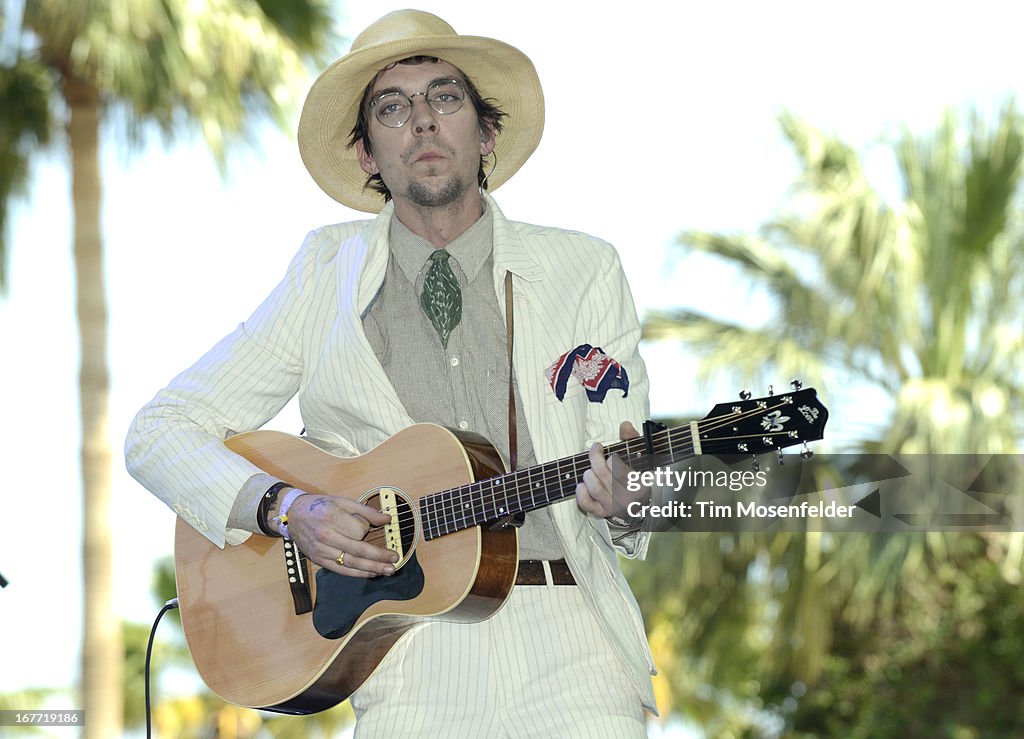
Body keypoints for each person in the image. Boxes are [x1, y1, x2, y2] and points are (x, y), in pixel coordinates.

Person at [126, 9, 657, 737]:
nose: (423, 122)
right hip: (405, 658)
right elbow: (159, 432)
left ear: (486, 132)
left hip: (573, 639)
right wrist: (288, 507)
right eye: (393, 106)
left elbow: (621, 467)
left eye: (445, 98)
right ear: (368, 153)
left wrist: (629, 497)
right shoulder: (322, 272)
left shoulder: (583, 269)